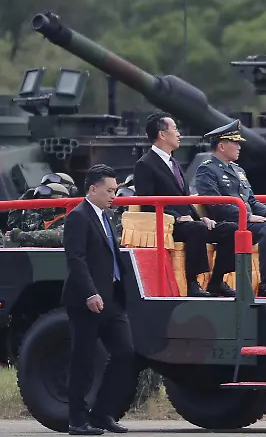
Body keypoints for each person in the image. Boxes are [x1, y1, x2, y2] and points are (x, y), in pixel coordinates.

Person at [194, 120, 266, 297]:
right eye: (234, 143)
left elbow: (251, 200)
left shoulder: (238, 170)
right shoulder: (207, 170)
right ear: (221, 146)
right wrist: (247, 216)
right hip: (229, 222)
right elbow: (215, 204)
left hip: (247, 219)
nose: (239, 147)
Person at [62, 164, 134, 435]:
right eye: (109, 191)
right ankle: (77, 421)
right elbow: (76, 259)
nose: (114, 195)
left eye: (115, 190)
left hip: (111, 298)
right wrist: (90, 293)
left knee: (125, 353)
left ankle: (102, 413)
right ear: (93, 189)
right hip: (87, 300)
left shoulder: (107, 215)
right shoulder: (78, 217)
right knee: (83, 360)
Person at [133, 113, 238, 298]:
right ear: (162, 134)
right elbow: (147, 203)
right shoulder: (145, 164)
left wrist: (201, 217)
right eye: (175, 129)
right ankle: (192, 282)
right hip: (166, 224)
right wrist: (176, 217)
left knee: (230, 229)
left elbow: (185, 199)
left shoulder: (174, 162)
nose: (179, 134)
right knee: (196, 229)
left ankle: (217, 281)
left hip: (189, 222)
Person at [4, 183, 70, 247]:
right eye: (40, 200)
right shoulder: (37, 220)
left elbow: (56, 236)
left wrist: (23, 235)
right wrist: (23, 200)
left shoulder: (70, 220)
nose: (41, 204)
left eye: (45, 200)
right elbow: (13, 221)